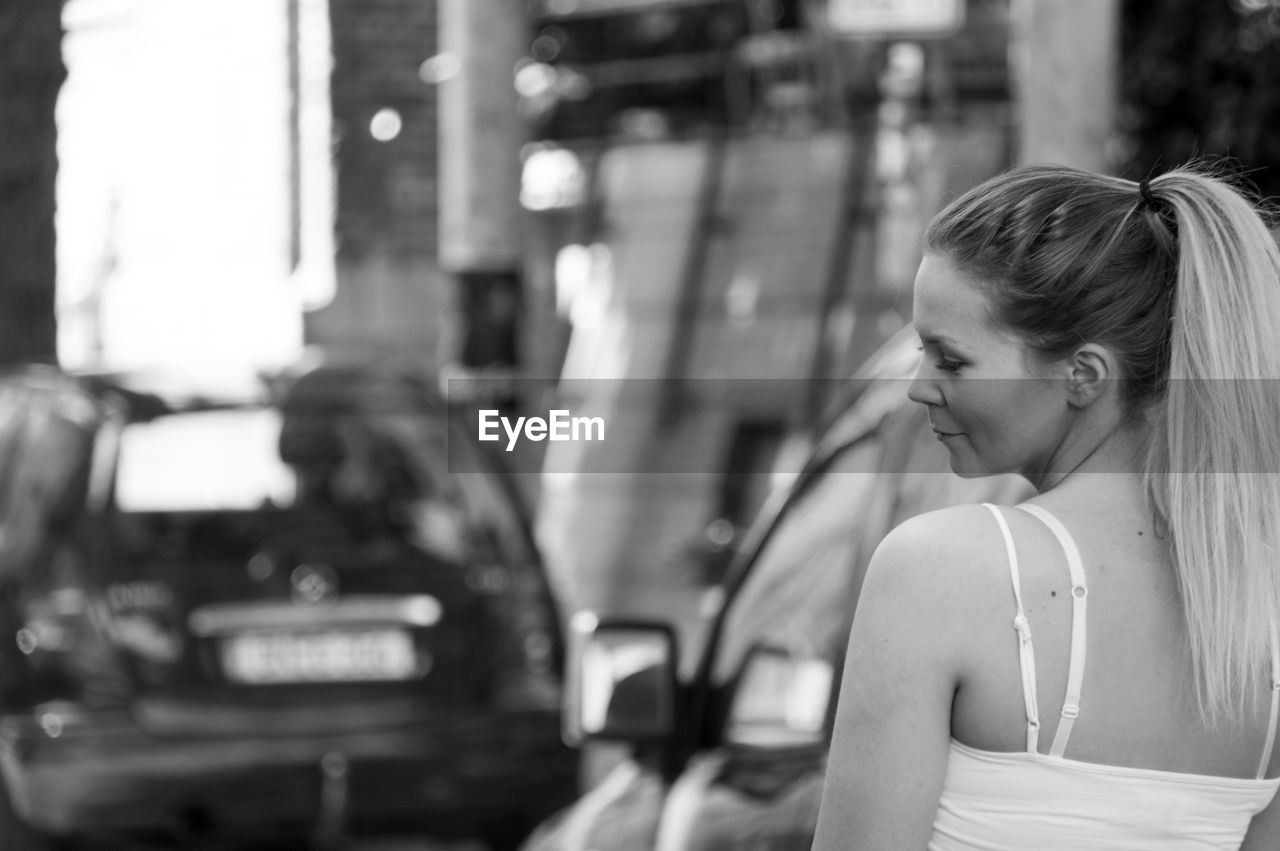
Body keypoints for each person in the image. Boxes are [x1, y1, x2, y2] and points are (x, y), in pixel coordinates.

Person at [812, 163, 1280, 850]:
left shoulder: (941, 571)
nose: (917, 388)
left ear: (1083, 376)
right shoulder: (1261, 607)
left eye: (950, 358)